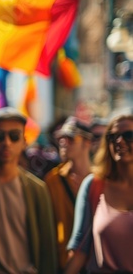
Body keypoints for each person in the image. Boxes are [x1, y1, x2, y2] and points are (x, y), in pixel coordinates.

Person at [0, 107, 57, 274]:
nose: (7, 142)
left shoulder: (37, 189)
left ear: (24, 141)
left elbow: (47, 247)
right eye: (0, 136)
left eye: (14, 136)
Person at [66, 111, 133, 273]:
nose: (119, 141)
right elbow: (80, 248)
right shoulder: (94, 185)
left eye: (128, 135)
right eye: (112, 137)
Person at [43, 116, 93, 272]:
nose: (63, 142)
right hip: (65, 263)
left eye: (71, 138)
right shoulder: (53, 179)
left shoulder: (101, 180)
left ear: (87, 142)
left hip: (96, 264)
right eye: (61, 138)